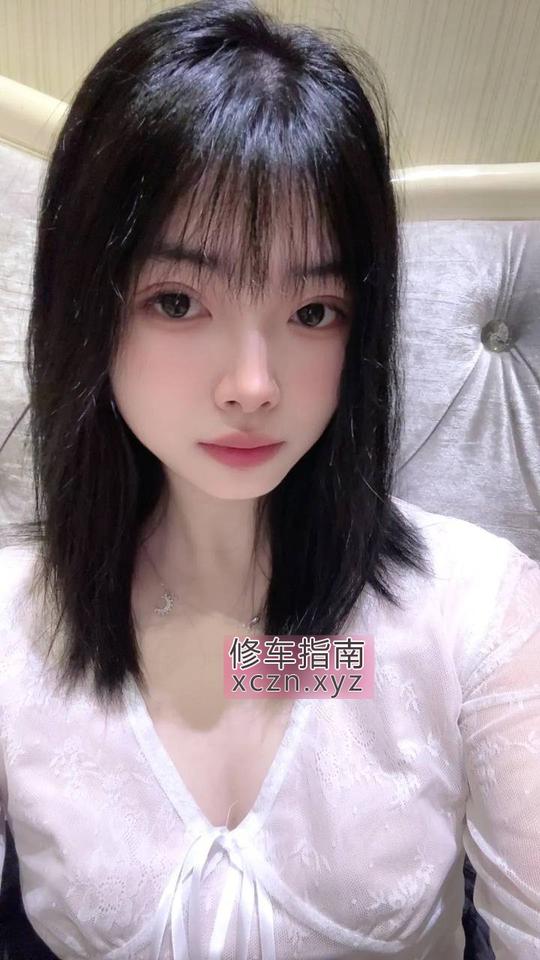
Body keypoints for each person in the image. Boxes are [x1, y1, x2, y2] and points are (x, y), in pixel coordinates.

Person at [0, 1, 539, 958]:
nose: (254, 385)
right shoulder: (14, 627)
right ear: (88, 305)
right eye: (178, 300)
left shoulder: (478, 613)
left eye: (313, 310)